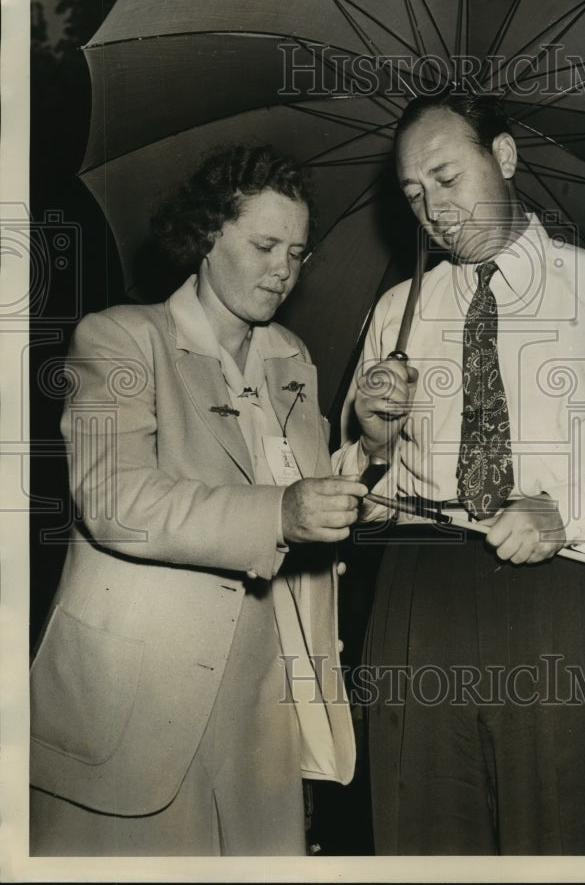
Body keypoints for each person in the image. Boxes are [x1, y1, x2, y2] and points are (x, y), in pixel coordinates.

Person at [335, 91, 585, 855]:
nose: (433, 210)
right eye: (413, 194)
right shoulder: (395, 313)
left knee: (566, 845)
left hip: (565, 600)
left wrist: (566, 512)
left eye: (446, 178)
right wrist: (373, 445)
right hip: (419, 606)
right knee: (423, 846)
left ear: (504, 158)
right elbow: (355, 497)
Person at [29, 144, 367, 856]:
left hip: (259, 719)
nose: (284, 268)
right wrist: (278, 514)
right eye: (265, 244)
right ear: (207, 235)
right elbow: (116, 500)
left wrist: (371, 445)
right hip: (134, 704)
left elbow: (304, 492)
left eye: (298, 252)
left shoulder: (293, 359)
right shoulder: (120, 338)